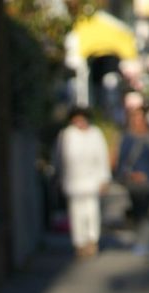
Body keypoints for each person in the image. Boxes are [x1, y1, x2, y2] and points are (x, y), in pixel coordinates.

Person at [53, 106, 111, 258]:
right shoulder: (66, 135)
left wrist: (104, 179)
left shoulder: (95, 134)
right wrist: (58, 176)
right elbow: (59, 158)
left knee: (91, 211)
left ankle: (92, 241)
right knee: (76, 213)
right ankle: (79, 243)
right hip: (73, 180)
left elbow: (102, 157)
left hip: (92, 179)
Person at [116, 104, 149, 255]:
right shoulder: (127, 138)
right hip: (133, 183)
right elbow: (122, 162)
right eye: (134, 118)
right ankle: (141, 240)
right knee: (138, 212)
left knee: (147, 212)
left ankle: (145, 242)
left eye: (139, 117)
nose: (137, 121)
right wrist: (130, 174)